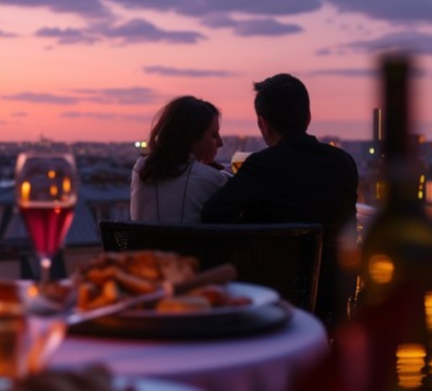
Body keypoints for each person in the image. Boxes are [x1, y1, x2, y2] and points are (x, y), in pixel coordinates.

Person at [201, 73, 358, 328]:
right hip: (332, 297)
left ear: (262, 123)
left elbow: (213, 214)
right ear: (307, 117)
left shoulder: (263, 166)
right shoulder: (343, 162)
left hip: (271, 299)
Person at [130, 96, 229, 224]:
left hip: (144, 244)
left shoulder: (141, 169)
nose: (220, 143)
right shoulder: (213, 179)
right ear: (193, 138)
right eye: (214, 135)